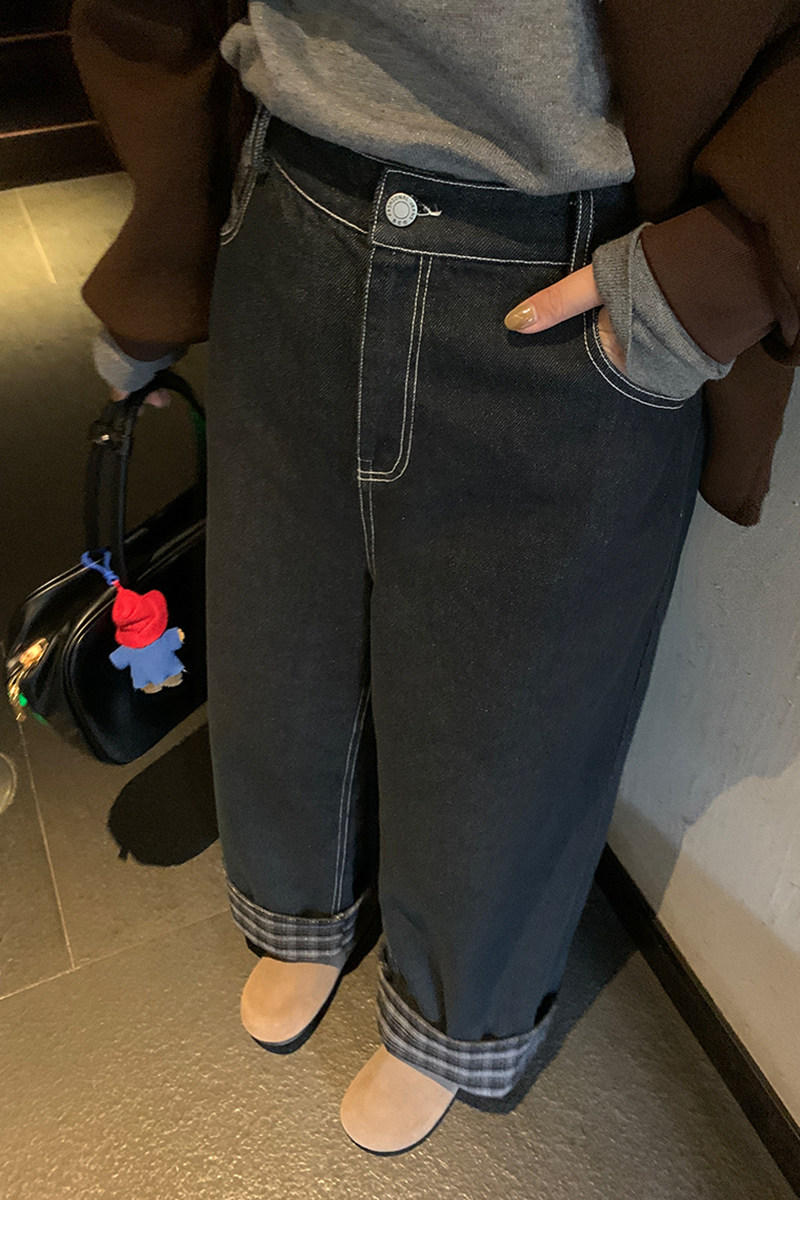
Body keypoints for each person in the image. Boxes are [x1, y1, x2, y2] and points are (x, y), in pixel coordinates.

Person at [70, 1, 800, 1155]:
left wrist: (726, 262)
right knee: (278, 629)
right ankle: (297, 903)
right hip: (295, 189)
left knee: (509, 710)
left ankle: (449, 1012)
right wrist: (165, 228)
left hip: (566, 249)